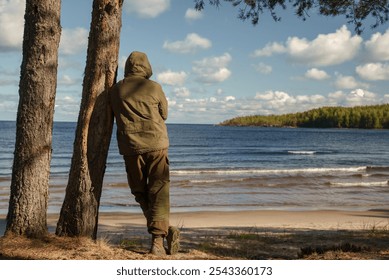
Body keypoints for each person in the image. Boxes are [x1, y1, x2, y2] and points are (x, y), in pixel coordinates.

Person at [109, 51, 179, 256]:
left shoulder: (116, 90)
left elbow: (112, 115)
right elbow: (164, 114)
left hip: (131, 147)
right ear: (147, 66)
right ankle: (159, 237)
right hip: (157, 145)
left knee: (139, 192)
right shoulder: (155, 87)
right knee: (158, 190)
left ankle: (159, 236)